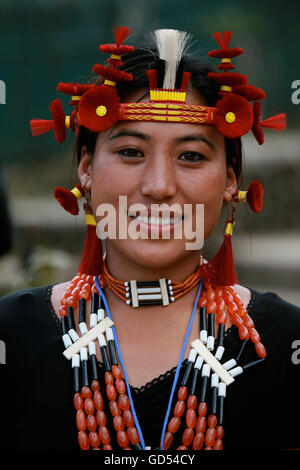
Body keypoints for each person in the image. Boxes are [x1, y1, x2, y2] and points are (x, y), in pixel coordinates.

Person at [0, 26, 299, 452]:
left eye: (191, 156)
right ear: (86, 168)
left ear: (231, 181)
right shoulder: (11, 337)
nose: (159, 185)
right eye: (131, 152)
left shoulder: (282, 343)